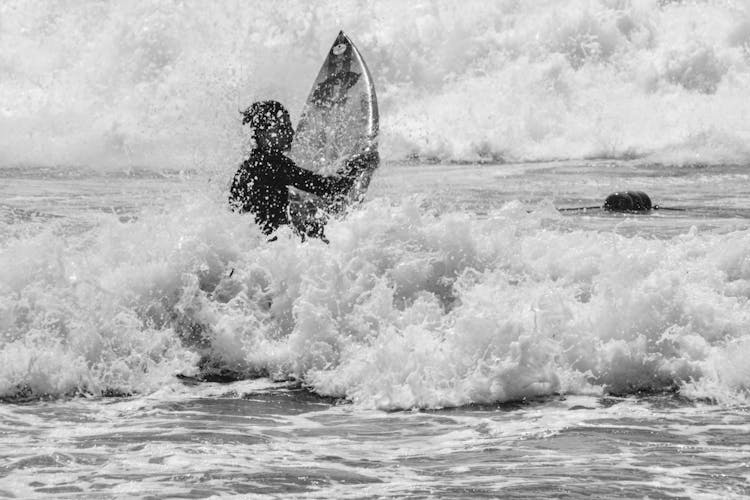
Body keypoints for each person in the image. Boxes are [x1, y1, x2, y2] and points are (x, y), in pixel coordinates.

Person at [229, 100, 368, 239]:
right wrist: (357, 166)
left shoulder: (249, 167)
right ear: (262, 135)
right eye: (282, 128)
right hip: (275, 245)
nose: (291, 132)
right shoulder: (273, 164)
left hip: (252, 241)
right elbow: (331, 189)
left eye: (289, 126)